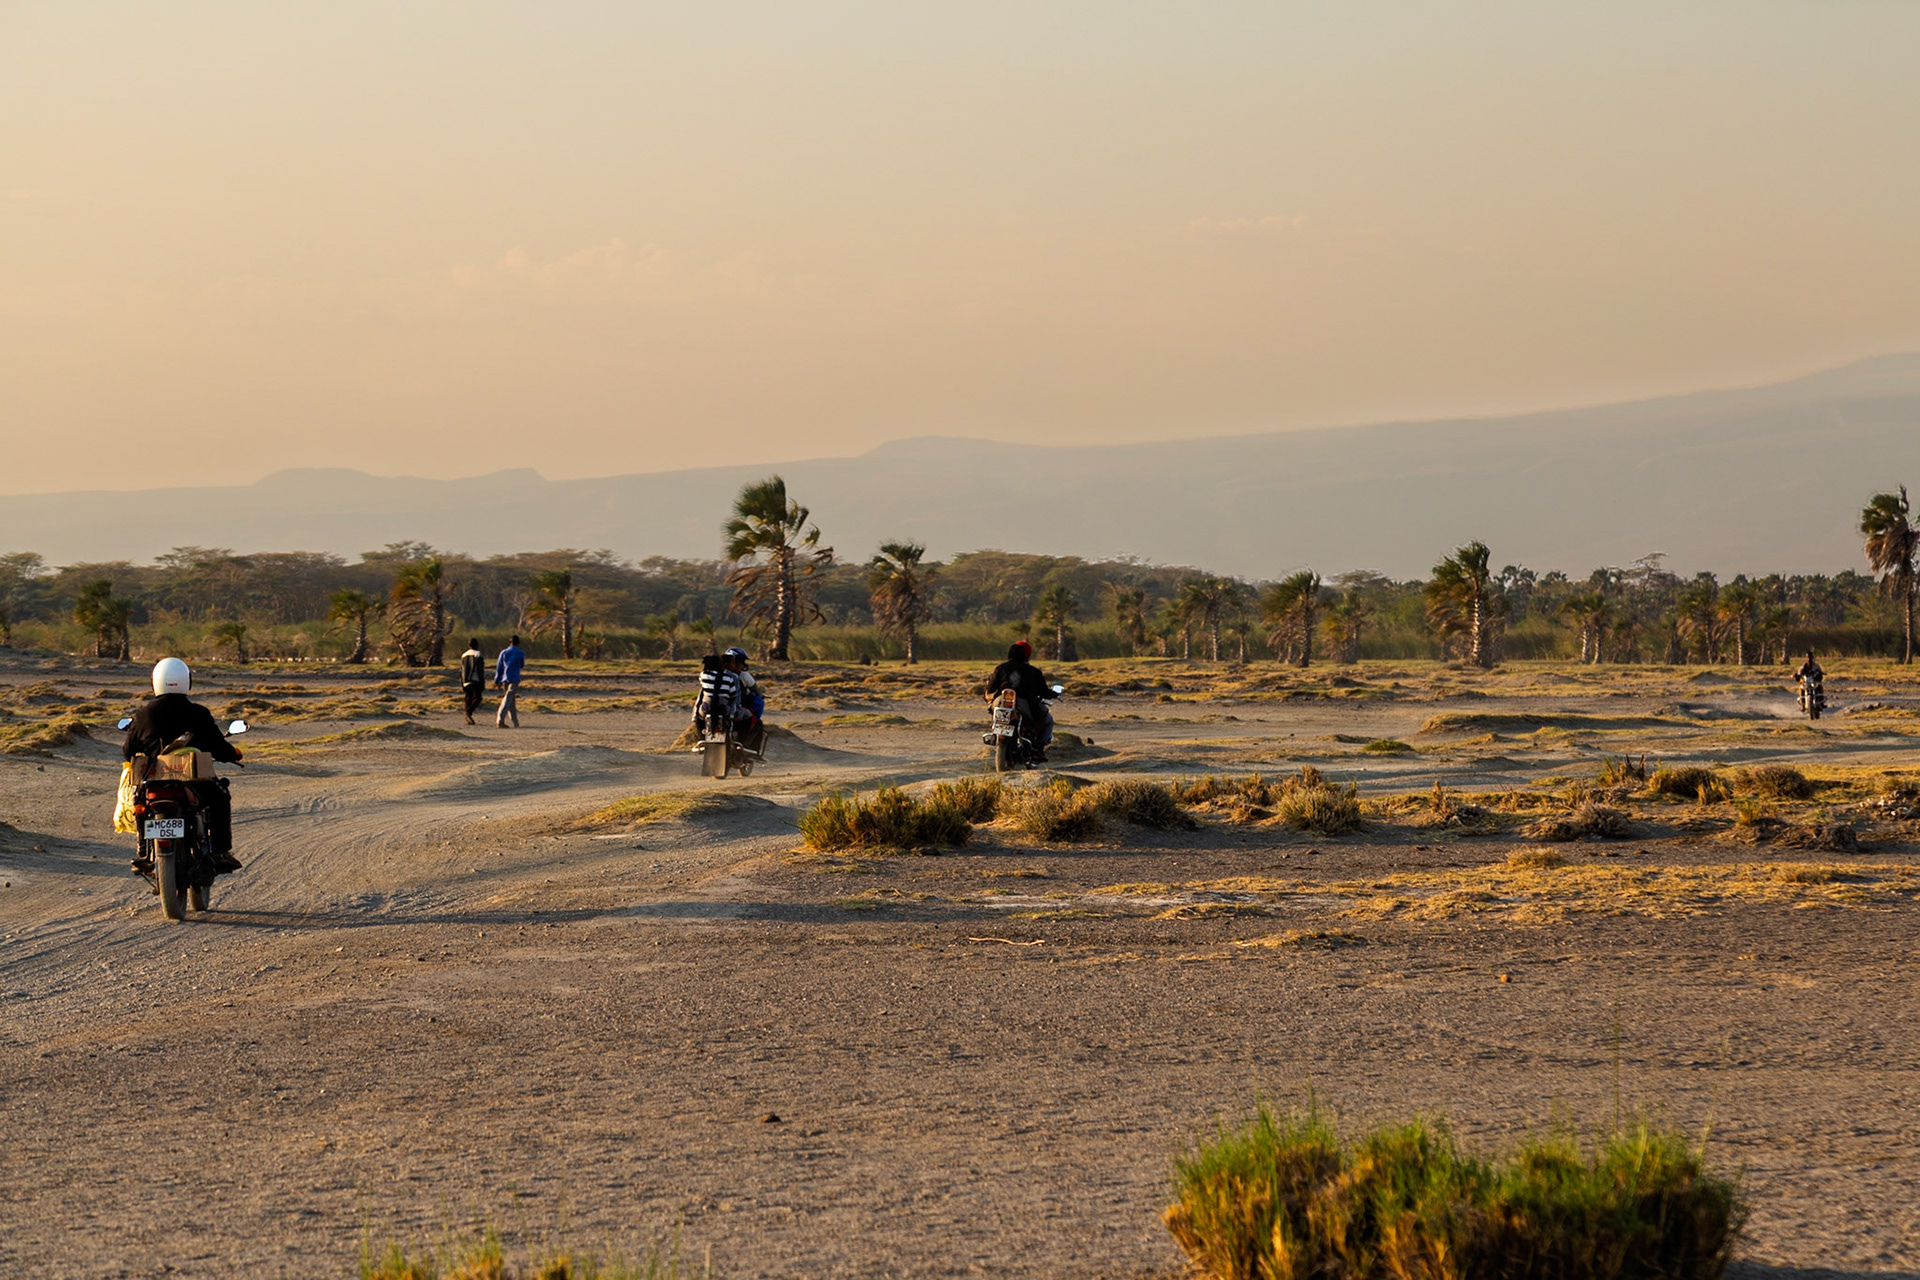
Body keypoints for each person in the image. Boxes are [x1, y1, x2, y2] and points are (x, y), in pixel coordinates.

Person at [122, 657, 243, 874]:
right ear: (187, 681)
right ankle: (220, 851)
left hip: (154, 780)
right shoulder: (198, 713)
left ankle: (143, 851)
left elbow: (127, 751)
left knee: (139, 803)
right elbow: (218, 746)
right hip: (193, 782)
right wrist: (232, 753)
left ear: (155, 682)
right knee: (220, 796)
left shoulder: (143, 714)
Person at [986, 640, 1056, 760]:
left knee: (995, 713)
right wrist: (1053, 693)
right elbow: (1044, 692)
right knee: (1046, 718)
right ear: (1027, 654)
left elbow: (990, 688)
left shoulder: (1001, 668)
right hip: (1023, 704)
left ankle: (995, 731)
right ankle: (1037, 748)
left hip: (1000, 701)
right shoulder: (1033, 671)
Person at [494, 634, 526, 728]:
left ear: (509, 642)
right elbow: (521, 665)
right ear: (518, 643)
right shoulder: (520, 653)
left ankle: (515, 722)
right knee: (508, 699)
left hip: (505, 678)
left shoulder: (503, 652)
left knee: (510, 699)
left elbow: (499, 667)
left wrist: (497, 679)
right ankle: (500, 719)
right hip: (515, 677)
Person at [459, 637, 486, 725]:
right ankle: (469, 712)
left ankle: (468, 715)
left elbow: (462, 669)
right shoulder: (478, 654)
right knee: (478, 698)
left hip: (466, 680)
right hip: (475, 679)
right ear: (477, 644)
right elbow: (480, 669)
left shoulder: (464, 655)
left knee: (468, 698)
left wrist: (462, 682)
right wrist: (482, 681)